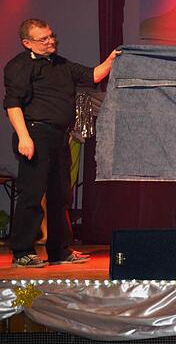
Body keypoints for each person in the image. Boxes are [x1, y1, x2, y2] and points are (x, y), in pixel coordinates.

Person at [4, 18, 119, 268]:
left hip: (59, 137)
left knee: (60, 196)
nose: (50, 41)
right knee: (32, 194)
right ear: (27, 43)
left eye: (51, 36)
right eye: (43, 39)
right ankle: (22, 252)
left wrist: (112, 59)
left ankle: (59, 251)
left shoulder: (61, 64)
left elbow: (92, 75)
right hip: (35, 134)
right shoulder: (20, 65)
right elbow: (13, 104)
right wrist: (24, 137)